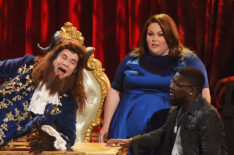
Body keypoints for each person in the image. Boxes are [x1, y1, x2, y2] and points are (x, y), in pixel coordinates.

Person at [99, 13, 210, 154]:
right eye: (150, 34)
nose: (154, 39)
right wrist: (106, 125)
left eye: (160, 35)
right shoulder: (132, 59)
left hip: (165, 129)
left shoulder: (187, 60)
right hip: (126, 126)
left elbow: (204, 94)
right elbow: (115, 90)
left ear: (170, 36)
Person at [0, 22, 94, 152]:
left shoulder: (67, 101)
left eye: (72, 62)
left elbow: (68, 135)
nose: (66, 63)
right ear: (54, 58)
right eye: (64, 57)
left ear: (74, 71)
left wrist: (51, 140)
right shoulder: (28, 64)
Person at [107, 67, 227, 155]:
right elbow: (163, 134)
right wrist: (131, 141)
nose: (171, 86)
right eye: (171, 82)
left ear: (191, 91)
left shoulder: (207, 116)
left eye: (176, 84)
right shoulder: (176, 110)